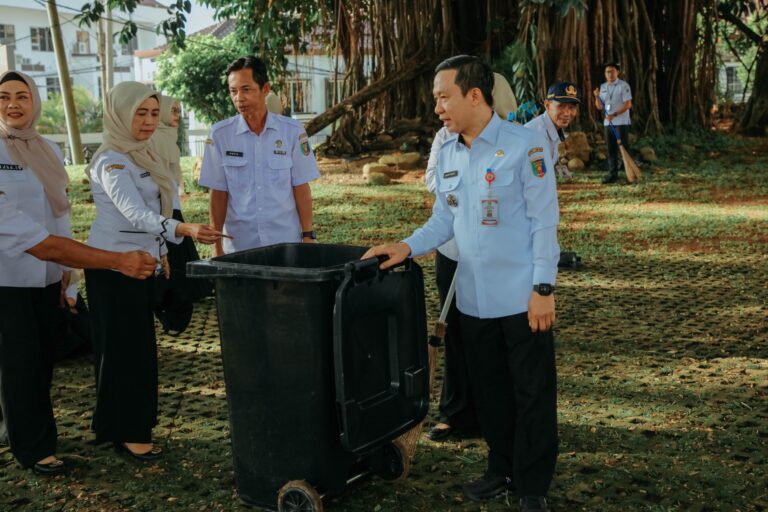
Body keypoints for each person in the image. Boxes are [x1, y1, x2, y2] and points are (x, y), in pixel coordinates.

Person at [363, 55, 560, 512]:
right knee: (489, 392)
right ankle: (501, 469)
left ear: (474, 95)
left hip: (522, 298)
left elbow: (544, 222)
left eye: (443, 98)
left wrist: (543, 289)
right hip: (473, 299)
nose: (437, 108)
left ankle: (532, 486)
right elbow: (444, 219)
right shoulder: (449, 151)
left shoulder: (524, 145)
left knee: (531, 393)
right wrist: (407, 246)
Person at [0, 70, 156, 476]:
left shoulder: (47, 149)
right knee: (20, 363)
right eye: (3, 97)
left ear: (34, 101)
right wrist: (112, 260)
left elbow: (60, 213)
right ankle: (33, 449)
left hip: (48, 272)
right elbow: (24, 234)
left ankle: (25, 430)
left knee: (42, 359)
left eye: (22, 96)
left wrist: (67, 274)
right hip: (6, 276)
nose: (13, 104)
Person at [84, 81, 222, 461]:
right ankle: (130, 433)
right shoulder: (111, 160)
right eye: (140, 113)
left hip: (140, 262)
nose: (148, 121)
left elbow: (156, 208)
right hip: (113, 266)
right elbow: (135, 213)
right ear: (119, 114)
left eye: (153, 113)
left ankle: (119, 426)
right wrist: (184, 229)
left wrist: (162, 251)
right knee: (125, 351)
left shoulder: (143, 153)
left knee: (135, 349)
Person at [425, 72, 517, 442]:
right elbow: (432, 180)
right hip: (454, 249)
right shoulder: (444, 138)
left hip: (497, 252)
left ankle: (498, 413)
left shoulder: (513, 139)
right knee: (457, 331)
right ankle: (455, 411)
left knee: (496, 331)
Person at [199, 56, 320, 256]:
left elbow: (300, 187)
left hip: (285, 243)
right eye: (233, 91)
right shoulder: (220, 135)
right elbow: (219, 193)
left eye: (246, 89)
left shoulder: (292, 131)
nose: (239, 98)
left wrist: (308, 235)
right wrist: (216, 247)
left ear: (265, 89)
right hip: (239, 246)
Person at [151, 95, 212, 309]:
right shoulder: (155, 138)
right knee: (172, 248)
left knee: (179, 248)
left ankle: (182, 291)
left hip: (172, 203)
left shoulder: (167, 136)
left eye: (179, 110)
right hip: (162, 206)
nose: (177, 115)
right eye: (173, 110)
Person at [525, 80, 581, 179]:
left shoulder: (554, 129)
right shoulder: (537, 134)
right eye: (561, 106)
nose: (567, 113)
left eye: (572, 107)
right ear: (547, 105)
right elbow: (538, 178)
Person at [593, 62, 632, 184]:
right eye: (607, 72)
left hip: (621, 122)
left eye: (612, 71)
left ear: (617, 72)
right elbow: (599, 107)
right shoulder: (603, 87)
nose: (610, 74)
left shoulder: (623, 85)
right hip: (608, 123)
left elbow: (628, 104)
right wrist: (596, 97)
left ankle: (631, 174)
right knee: (611, 150)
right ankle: (612, 175)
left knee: (624, 148)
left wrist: (614, 114)